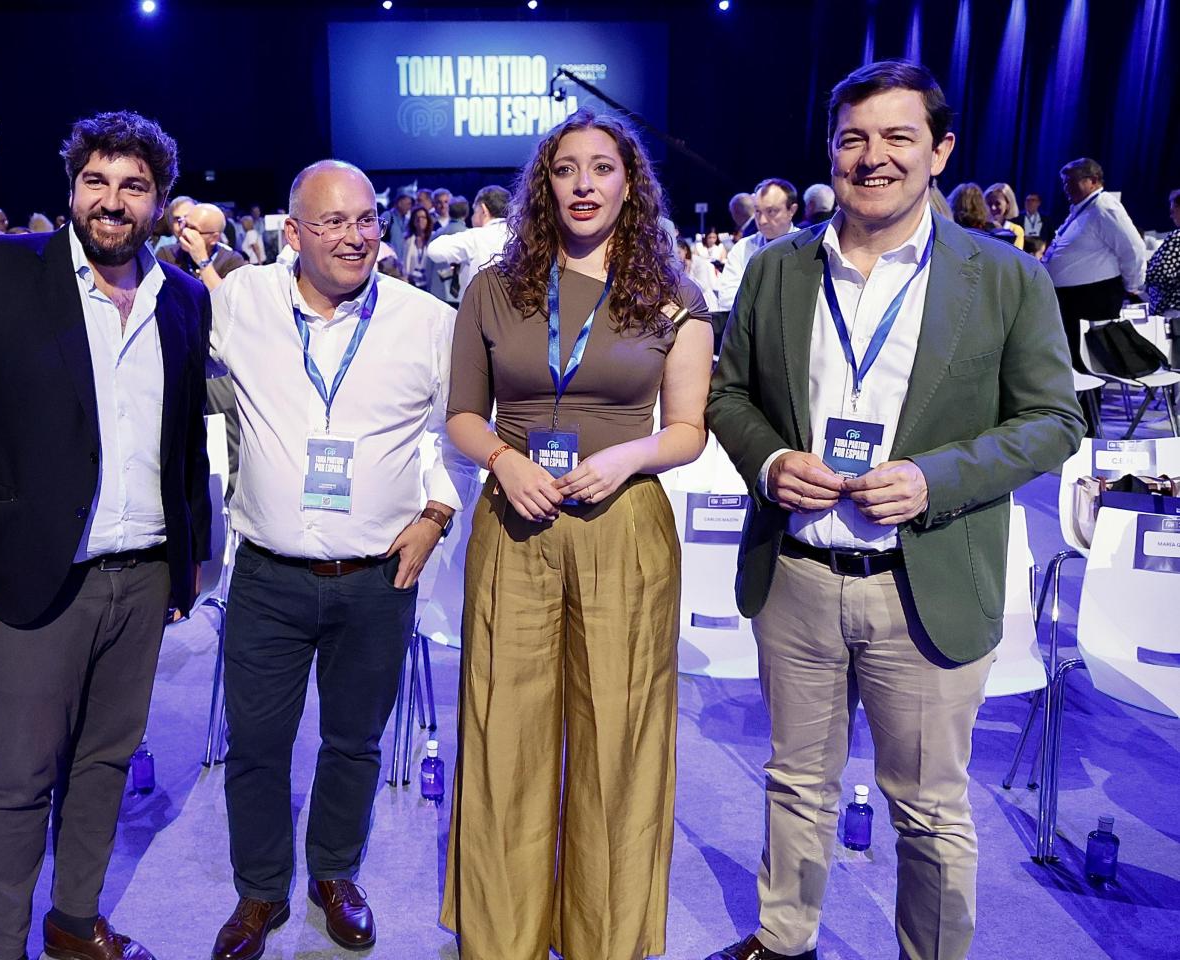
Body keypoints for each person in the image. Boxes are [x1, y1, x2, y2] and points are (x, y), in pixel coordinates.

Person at [705, 61, 1085, 960]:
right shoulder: (776, 269)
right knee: (797, 781)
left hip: (925, 577)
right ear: (831, 151)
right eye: (852, 139)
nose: (872, 158)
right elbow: (728, 396)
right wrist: (768, 461)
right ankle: (784, 935)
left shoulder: (1004, 277)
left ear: (940, 150)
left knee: (928, 806)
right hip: (798, 572)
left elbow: (1055, 420)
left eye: (897, 137)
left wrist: (936, 478)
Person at [0, 110, 209, 960]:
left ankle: (76, 922)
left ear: (161, 202)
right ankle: (6, 948)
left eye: (133, 187)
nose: (112, 202)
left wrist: (184, 571)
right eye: (96, 182)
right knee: (16, 782)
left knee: (106, 762)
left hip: (142, 574)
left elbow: (183, 439)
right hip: (25, 575)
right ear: (73, 189)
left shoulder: (182, 297)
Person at [438, 107, 713, 960]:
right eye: (566, 170)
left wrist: (630, 456)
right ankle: (502, 939)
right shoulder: (495, 287)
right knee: (503, 737)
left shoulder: (672, 294)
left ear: (630, 184)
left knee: (618, 743)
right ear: (544, 184)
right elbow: (460, 415)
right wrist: (502, 462)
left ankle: (605, 938)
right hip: (515, 524)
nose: (584, 185)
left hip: (622, 529)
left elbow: (689, 429)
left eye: (602, 169)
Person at [206, 159, 460, 960]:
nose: (354, 237)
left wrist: (438, 514)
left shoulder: (425, 318)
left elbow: (462, 430)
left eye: (365, 219)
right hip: (268, 575)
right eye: (333, 223)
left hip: (380, 575)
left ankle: (334, 874)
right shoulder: (239, 302)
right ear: (294, 234)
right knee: (256, 744)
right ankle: (258, 892)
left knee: (355, 740)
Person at [1042, 157, 1148, 371]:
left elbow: (1134, 248)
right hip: (1074, 299)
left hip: (1094, 298)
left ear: (1093, 180)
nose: (1066, 187)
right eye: (1064, 181)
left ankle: (1087, 405)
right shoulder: (1083, 208)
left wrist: (1131, 286)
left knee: (1087, 364)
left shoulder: (1104, 206)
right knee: (1072, 360)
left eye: (1071, 180)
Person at [715, 178, 801, 311]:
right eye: (757, 211)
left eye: (771, 211)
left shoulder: (808, 246)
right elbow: (727, 300)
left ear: (791, 210)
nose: (762, 221)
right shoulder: (742, 248)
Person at [426, 185, 512, 305]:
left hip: (483, 308)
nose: (473, 216)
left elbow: (433, 250)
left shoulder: (475, 237)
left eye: (475, 210)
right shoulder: (519, 235)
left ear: (484, 210)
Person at [158, 202, 249, 291]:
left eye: (193, 229)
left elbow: (224, 301)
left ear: (214, 238)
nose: (184, 232)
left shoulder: (232, 260)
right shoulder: (166, 254)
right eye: (185, 224)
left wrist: (202, 261)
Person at [1145, 189, 1180, 314]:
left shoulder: (1177, 237)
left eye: (1173, 211)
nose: (1171, 216)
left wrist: (1139, 277)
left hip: (1173, 305)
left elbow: (1161, 272)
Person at [401, 204, 435, 288]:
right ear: (413, 221)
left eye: (423, 217)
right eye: (417, 218)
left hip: (429, 285)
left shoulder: (434, 239)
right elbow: (404, 263)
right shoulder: (407, 240)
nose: (420, 220)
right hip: (411, 284)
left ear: (428, 220)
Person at [984, 182, 1026, 247]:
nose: (993, 207)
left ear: (1008, 205)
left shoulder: (1016, 230)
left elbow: (1016, 255)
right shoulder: (981, 226)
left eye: (997, 204)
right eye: (989, 203)